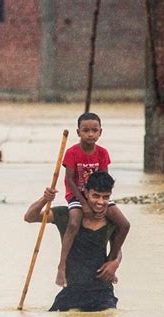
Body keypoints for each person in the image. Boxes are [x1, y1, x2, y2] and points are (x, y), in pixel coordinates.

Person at [24, 171, 126, 311]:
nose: (101, 202)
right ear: (85, 193)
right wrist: (45, 199)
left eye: (105, 197)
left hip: (102, 291)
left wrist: (115, 262)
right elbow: (30, 217)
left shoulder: (111, 220)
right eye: (95, 196)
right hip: (72, 290)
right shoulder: (66, 215)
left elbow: (117, 248)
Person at [56, 112, 130, 287]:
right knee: (74, 223)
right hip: (76, 195)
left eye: (94, 130)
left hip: (97, 195)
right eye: (86, 130)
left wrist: (102, 204)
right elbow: (69, 180)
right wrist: (83, 203)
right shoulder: (72, 153)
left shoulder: (102, 153)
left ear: (100, 132)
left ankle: (110, 262)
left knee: (124, 224)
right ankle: (62, 265)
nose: (90, 134)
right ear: (78, 132)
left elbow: (104, 179)